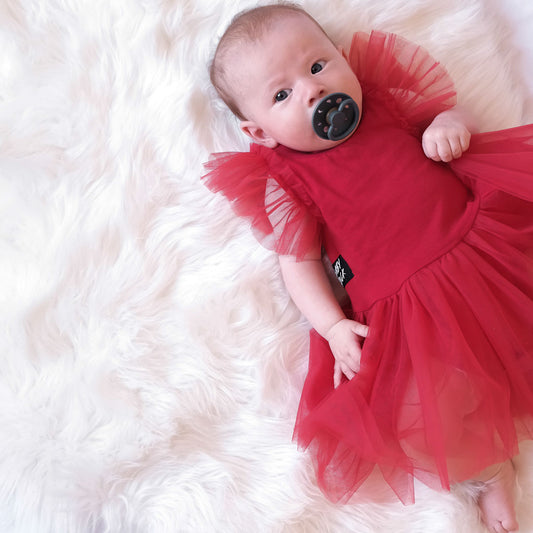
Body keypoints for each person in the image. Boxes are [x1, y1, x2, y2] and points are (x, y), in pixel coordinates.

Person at [203, 4, 533, 532]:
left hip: (477, 252)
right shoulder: (286, 181)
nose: (311, 90)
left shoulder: (386, 103)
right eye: (282, 95)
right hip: (407, 315)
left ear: (342, 58)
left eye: (317, 66)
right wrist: (332, 326)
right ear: (259, 132)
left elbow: (459, 116)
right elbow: (298, 263)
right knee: (421, 415)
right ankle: (491, 470)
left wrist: (450, 126)